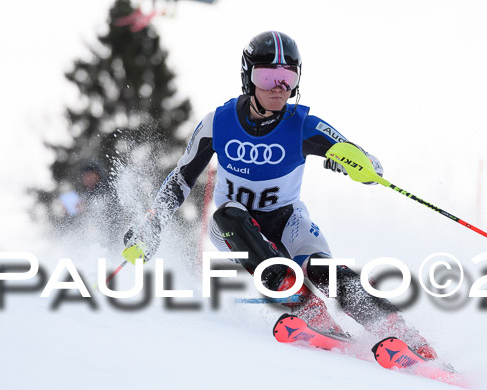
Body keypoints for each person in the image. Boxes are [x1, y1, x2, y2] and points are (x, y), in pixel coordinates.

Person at [123, 31, 438, 360]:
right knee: (229, 215)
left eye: (288, 77)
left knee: (324, 271)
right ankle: (310, 311)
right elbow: (181, 178)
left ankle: (402, 333)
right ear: (248, 78)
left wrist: (352, 164)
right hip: (235, 228)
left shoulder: (303, 125)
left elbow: (371, 168)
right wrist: (153, 222)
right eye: (267, 76)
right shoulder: (218, 122)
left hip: (287, 219)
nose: (278, 86)